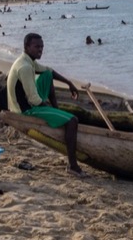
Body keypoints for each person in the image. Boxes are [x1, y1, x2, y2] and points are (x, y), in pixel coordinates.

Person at [6, 32, 85, 176]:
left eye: (42, 47)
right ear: (27, 46)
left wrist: (69, 83)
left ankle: (57, 112)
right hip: (25, 110)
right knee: (73, 121)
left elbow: (48, 71)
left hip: (26, 102)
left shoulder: (28, 61)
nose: (40, 50)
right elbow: (33, 99)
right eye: (37, 47)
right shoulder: (25, 67)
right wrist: (50, 109)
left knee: (47, 75)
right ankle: (73, 166)